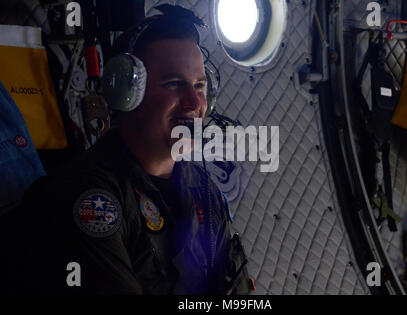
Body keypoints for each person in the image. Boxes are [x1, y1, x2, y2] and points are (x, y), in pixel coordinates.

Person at [4, 5, 252, 295]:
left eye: (200, 86)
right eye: (174, 84)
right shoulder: (90, 200)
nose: (194, 104)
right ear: (127, 93)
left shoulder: (204, 191)